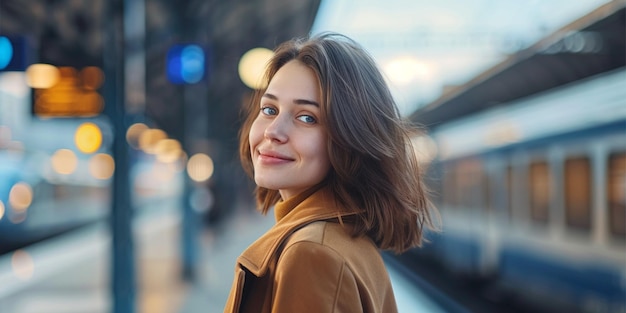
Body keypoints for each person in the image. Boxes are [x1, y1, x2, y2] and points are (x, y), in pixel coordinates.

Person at [224, 32, 439, 313]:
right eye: (269, 109)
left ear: (350, 138)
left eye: (307, 117)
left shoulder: (311, 253)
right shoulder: (340, 238)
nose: (273, 131)